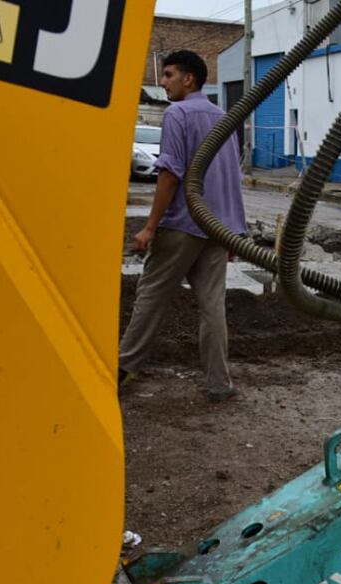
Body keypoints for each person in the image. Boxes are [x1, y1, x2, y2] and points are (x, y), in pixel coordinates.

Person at [118, 50, 246, 402]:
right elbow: (233, 176)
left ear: (188, 79)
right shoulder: (223, 116)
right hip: (217, 228)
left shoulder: (178, 113)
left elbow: (171, 173)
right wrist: (234, 230)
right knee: (212, 306)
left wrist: (149, 227)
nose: (163, 82)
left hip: (182, 224)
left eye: (169, 75)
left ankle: (123, 368)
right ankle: (220, 385)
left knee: (152, 296)